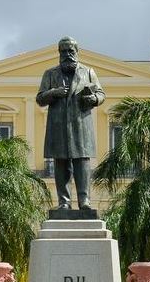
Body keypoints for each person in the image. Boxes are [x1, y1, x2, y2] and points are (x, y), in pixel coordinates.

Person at [36, 36, 105, 211]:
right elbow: (40, 99)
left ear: (77, 52)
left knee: (82, 163)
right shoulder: (50, 74)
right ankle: (64, 202)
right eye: (64, 51)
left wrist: (93, 98)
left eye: (70, 51)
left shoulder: (88, 72)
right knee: (61, 163)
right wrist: (54, 92)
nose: (67, 54)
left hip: (81, 126)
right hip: (58, 126)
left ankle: (84, 201)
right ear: (59, 53)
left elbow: (101, 94)